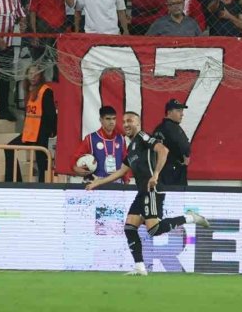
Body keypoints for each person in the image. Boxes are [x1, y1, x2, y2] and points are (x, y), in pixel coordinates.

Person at [85, 111, 209, 276]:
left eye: (130, 120)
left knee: (154, 229)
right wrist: (98, 182)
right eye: (124, 121)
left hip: (152, 189)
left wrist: (156, 174)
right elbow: (122, 171)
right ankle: (139, 267)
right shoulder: (131, 148)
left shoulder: (143, 137)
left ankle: (192, 218)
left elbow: (163, 151)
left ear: (138, 123)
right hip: (142, 192)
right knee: (130, 227)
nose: (126, 124)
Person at [4, 67, 56, 183]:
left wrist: (52, 130)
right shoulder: (28, 90)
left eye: (36, 74)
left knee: (41, 161)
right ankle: (13, 180)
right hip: (29, 132)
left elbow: (51, 113)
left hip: (41, 131)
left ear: (40, 76)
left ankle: (43, 186)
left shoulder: (45, 90)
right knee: (9, 148)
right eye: (30, 73)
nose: (32, 76)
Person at [71, 105, 127, 182]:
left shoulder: (121, 139)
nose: (112, 122)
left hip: (116, 182)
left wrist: (126, 180)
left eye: (114, 118)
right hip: (95, 181)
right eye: (108, 119)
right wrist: (75, 167)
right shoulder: (90, 138)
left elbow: (125, 161)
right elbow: (76, 157)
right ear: (101, 120)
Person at [154, 99, 191, 187]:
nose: (182, 114)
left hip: (160, 170)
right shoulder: (173, 128)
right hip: (174, 171)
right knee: (178, 197)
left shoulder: (158, 129)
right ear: (169, 112)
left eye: (182, 111)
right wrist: (187, 155)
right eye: (178, 111)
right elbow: (185, 147)